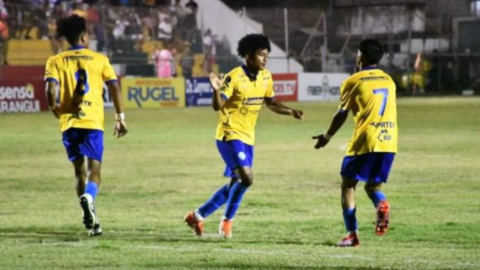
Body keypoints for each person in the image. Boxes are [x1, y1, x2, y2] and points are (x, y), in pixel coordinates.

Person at [184, 34, 304, 238]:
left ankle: (197, 215)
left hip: (248, 137)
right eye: (261, 55)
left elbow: (272, 103)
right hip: (229, 135)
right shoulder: (234, 77)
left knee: (235, 184)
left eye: (267, 55)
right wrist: (216, 91)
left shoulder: (266, 76)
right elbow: (218, 106)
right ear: (248, 55)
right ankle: (226, 222)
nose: (265, 59)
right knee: (247, 178)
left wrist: (291, 111)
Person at [44, 15, 128, 236]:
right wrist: (120, 117)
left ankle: (93, 220)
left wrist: (54, 107)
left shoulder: (56, 60)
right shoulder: (100, 59)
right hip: (92, 121)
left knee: (79, 172)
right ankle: (89, 199)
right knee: (95, 171)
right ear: (83, 36)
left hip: (69, 122)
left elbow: (50, 89)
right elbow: (115, 88)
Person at [312, 39, 398, 247]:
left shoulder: (354, 81)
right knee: (373, 185)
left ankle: (352, 234)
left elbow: (342, 114)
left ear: (361, 56)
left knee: (348, 185)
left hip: (365, 141)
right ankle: (382, 203)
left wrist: (327, 137)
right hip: (389, 140)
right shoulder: (389, 80)